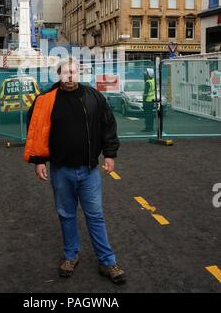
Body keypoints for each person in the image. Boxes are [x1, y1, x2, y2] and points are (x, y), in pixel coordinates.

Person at [24, 56, 126, 285]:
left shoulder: (93, 97)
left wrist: (109, 154)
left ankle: (107, 261)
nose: (69, 76)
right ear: (58, 74)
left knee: (95, 216)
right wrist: (39, 160)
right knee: (66, 215)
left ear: (79, 73)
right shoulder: (45, 100)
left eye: (73, 72)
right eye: (65, 72)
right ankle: (71, 256)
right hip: (61, 171)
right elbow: (36, 130)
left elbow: (108, 125)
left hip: (89, 171)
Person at [142, 68, 155, 132]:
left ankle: (147, 128)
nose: (145, 74)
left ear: (149, 74)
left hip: (147, 101)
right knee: (150, 115)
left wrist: (143, 102)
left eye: (146, 73)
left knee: (147, 115)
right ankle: (151, 127)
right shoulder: (153, 81)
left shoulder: (148, 82)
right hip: (152, 101)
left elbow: (145, 93)